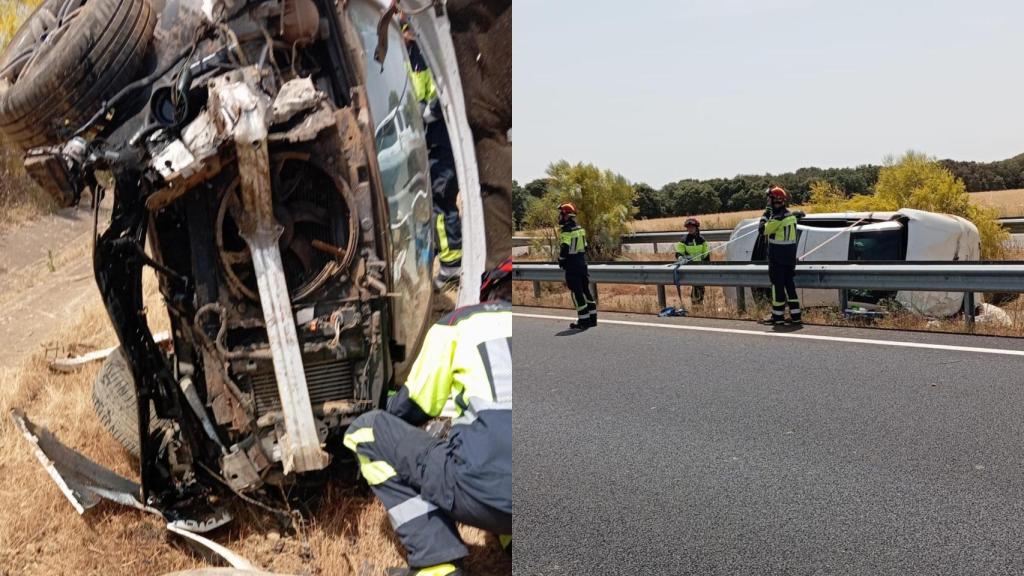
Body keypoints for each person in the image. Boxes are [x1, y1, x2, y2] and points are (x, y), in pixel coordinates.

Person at [343, 258, 513, 576]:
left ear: (488, 294)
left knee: (366, 431)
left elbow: (417, 404)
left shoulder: (459, 323)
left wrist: (389, 418)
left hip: (481, 491)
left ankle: (438, 564)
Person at [402, 22, 463, 288]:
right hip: (427, 139)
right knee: (429, 203)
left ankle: (452, 266)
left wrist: (432, 109)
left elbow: (445, 82)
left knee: (442, 200)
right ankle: (442, 258)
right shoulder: (410, 50)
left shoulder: (428, 44)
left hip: (441, 138)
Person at [759, 186, 805, 325]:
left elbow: (762, 230)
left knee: (777, 287)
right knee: (790, 286)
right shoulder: (790, 216)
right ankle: (796, 316)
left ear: (774, 200)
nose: (768, 201)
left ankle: (777, 317)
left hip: (777, 259)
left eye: (769, 199)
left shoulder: (777, 219)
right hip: (790, 259)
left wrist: (765, 214)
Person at [557, 202, 596, 330]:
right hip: (582, 263)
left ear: (567, 215)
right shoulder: (580, 228)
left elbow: (565, 248)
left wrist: (562, 260)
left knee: (577, 293)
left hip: (572, 265)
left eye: (561, 214)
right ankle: (592, 319)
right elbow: (584, 246)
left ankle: (583, 321)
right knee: (586, 291)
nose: (560, 217)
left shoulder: (566, 231)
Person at [674, 217, 710, 305]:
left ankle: (699, 305)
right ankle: (696, 305)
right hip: (690, 267)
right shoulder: (684, 240)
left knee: (700, 287)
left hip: (701, 267)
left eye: (692, 227)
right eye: (688, 227)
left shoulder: (702, 240)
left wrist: (706, 265)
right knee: (696, 286)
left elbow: (706, 254)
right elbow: (679, 253)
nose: (690, 229)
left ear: (696, 228)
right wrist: (680, 257)